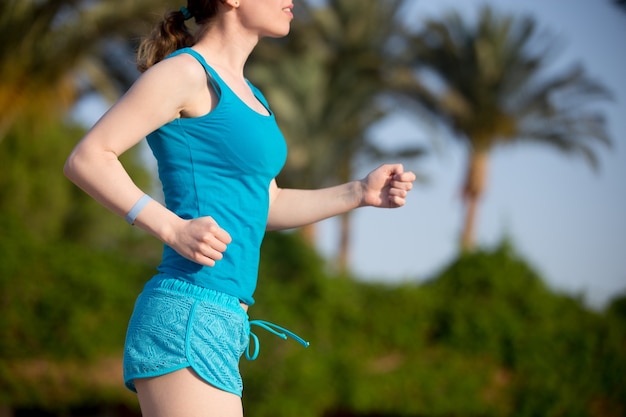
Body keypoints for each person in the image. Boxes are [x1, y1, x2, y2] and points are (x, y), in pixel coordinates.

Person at [64, 0, 416, 416]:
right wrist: (172, 228)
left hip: (226, 319)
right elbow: (88, 158)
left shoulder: (252, 95)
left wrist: (358, 192)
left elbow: (268, 203)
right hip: (188, 313)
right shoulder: (186, 73)